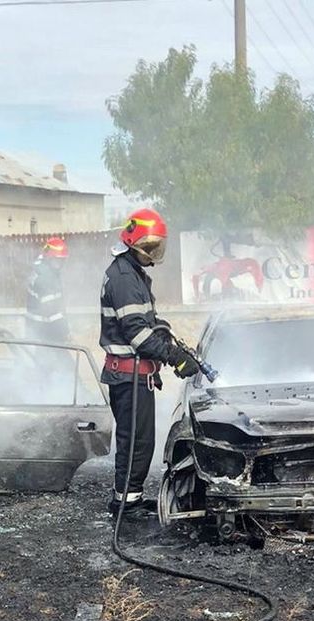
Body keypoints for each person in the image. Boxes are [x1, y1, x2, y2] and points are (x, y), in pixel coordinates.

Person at [100, 208, 198, 520]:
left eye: (158, 247)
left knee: (143, 441)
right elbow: (137, 335)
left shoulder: (134, 273)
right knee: (133, 443)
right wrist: (173, 357)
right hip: (127, 377)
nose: (155, 254)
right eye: (150, 247)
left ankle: (132, 497)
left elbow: (146, 323)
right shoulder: (125, 278)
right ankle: (124, 506)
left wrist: (164, 332)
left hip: (136, 377)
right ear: (133, 242)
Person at [26, 236, 69, 342]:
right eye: (58, 260)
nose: (61, 264)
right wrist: (65, 331)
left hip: (36, 328)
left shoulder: (42, 269)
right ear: (49, 258)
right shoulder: (45, 277)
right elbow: (51, 311)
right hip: (45, 330)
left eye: (62, 260)